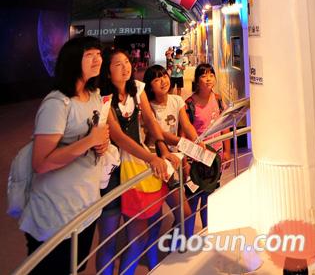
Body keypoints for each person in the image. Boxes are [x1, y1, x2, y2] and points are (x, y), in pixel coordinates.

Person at [19, 37, 110, 275]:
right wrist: (89, 141)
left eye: (99, 54)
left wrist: (102, 143)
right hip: (55, 215)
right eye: (89, 55)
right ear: (72, 61)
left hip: (86, 208)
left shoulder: (94, 95)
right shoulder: (58, 103)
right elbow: (41, 163)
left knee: (76, 268)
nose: (97, 60)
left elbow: (96, 135)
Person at [97, 49, 175, 275]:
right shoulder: (103, 98)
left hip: (135, 164)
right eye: (118, 64)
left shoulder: (138, 89)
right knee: (108, 239)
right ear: (107, 72)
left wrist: (162, 148)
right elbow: (119, 137)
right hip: (112, 172)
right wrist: (151, 157)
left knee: (138, 235)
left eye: (127, 62)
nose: (126, 67)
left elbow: (150, 120)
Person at [143, 65, 199, 243]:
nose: (163, 81)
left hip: (176, 158)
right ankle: (173, 245)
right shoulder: (148, 107)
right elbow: (160, 134)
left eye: (164, 76)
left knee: (183, 211)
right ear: (149, 86)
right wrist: (185, 144)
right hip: (158, 161)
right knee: (178, 212)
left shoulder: (176, 100)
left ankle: (175, 243)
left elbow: (186, 125)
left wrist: (197, 141)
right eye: (156, 79)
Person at [184, 63, 231, 233]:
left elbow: (224, 126)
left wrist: (227, 151)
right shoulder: (189, 104)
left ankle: (207, 235)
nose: (209, 78)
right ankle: (188, 238)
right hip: (196, 160)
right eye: (204, 75)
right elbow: (184, 134)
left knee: (209, 200)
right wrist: (186, 161)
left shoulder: (217, 99)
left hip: (215, 159)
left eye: (211, 74)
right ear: (197, 81)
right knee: (192, 200)